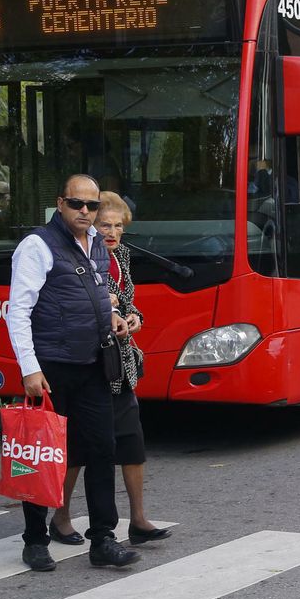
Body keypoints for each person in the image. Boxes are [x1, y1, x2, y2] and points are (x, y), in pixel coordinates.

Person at [5, 174, 140, 572]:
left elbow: (97, 295)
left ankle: (103, 539)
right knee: (43, 455)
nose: (85, 212)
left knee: (102, 450)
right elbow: (19, 312)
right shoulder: (36, 246)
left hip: (93, 365)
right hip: (51, 368)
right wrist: (30, 369)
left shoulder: (98, 245)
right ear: (60, 204)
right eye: (77, 204)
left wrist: (114, 315)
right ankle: (34, 539)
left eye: (92, 206)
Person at [49, 192, 171, 547]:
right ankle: (60, 516)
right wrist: (108, 306)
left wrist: (133, 317)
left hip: (121, 363)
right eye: (106, 225)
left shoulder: (124, 256)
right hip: (89, 363)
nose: (112, 232)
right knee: (79, 446)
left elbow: (130, 300)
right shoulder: (80, 255)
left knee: (131, 441)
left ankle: (138, 519)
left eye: (118, 226)